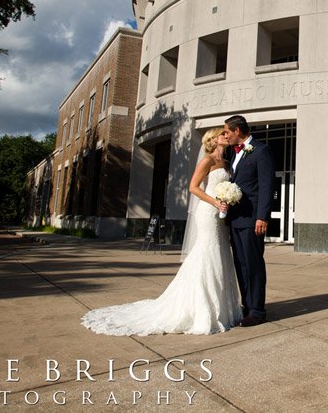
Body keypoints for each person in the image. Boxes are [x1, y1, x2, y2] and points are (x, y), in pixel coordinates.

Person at [80, 128, 242, 335]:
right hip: (208, 212)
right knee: (207, 252)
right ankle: (201, 309)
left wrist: (227, 201)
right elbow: (193, 187)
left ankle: (222, 309)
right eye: (222, 134)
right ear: (213, 140)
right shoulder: (207, 161)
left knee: (220, 254)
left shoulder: (227, 163)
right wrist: (216, 202)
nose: (226, 136)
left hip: (221, 215)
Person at [222, 115, 275, 327]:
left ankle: (257, 311)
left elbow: (267, 186)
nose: (225, 135)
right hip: (235, 219)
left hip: (253, 219)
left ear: (237, 131)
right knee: (240, 265)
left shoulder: (261, 151)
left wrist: (262, 216)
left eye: (227, 131)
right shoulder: (230, 153)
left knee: (253, 265)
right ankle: (246, 306)